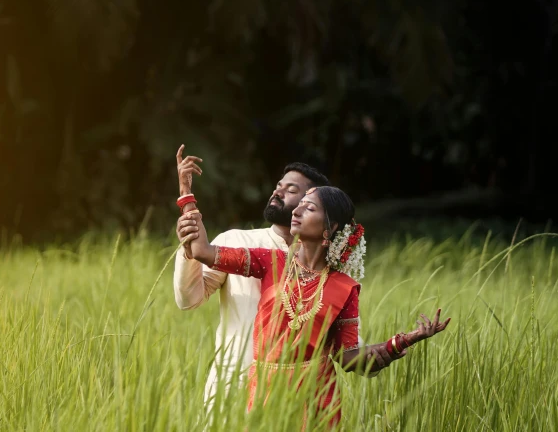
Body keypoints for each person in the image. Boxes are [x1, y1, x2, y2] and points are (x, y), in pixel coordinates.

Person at [177, 153, 451, 427]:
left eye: (304, 202)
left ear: (328, 226)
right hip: (247, 390)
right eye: (280, 187)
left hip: (315, 400)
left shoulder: (343, 286)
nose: (288, 202)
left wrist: (401, 342)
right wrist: (186, 195)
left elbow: (348, 355)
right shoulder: (259, 255)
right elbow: (197, 266)